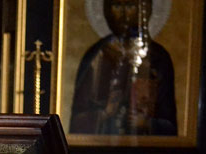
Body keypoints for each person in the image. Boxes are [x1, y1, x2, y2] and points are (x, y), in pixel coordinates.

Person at [70, 0, 176, 136]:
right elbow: (76, 123)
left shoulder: (157, 58)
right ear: (106, 10)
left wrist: (147, 123)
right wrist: (104, 114)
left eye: (130, 5)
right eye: (117, 5)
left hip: (144, 147)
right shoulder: (96, 56)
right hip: (101, 145)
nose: (123, 13)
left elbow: (171, 126)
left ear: (144, 10)